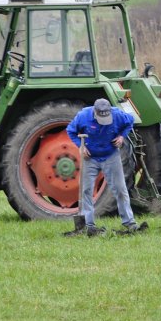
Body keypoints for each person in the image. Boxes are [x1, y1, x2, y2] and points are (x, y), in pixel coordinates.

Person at [65, 98, 145, 236]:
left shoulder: (118, 114)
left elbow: (130, 122)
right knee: (86, 190)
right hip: (89, 158)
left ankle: (129, 223)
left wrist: (121, 136)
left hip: (111, 156)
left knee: (120, 189)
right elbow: (71, 130)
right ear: (94, 112)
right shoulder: (83, 116)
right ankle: (88, 225)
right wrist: (80, 146)